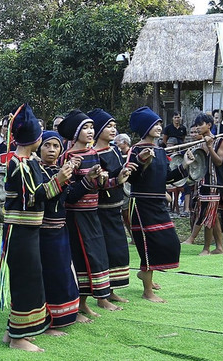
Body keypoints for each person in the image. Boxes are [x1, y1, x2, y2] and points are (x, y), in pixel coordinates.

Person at [0, 102, 56, 352]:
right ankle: (19, 338)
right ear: (36, 138)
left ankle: (13, 332)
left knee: (28, 278)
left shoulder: (26, 162)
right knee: (26, 281)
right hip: (21, 231)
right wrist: (60, 180)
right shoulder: (20, 164)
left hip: (25, 232)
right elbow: (33, 197)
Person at [58, 110, 127, 317]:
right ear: (76, 132)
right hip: (75, 217)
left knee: (95, 257)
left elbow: (100, 186)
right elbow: (68, 193)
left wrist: (117, 180)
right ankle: (76, 306)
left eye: (91, 127)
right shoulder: (68, 157)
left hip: (92, 213)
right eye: (85, 128)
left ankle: (85, 303)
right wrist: (88, 180)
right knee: (80, 259)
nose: (90, 131)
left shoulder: (93, 154)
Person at [126, 107, 193, 302]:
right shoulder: (136, 150)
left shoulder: (161, 151)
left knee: (169, 243)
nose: (159, 127)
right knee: (149, 246)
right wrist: (142, 161)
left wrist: (185, 165)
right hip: (141, 205)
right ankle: (147, 291)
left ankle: (144, 275)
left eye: (159, 124)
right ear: (145, 127)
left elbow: (166, 178)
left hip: (157, 204)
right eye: (155, 124)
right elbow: (131, 176)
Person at [36, 131, 81, 331]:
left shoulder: (58, 170)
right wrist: (59, 179)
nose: (52, 150)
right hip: (42, 233)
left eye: (56, 146)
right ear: (39, 148)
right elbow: (38, 197)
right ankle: (49, 320)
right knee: (50, 276)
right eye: (47, 145)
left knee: (64, 273)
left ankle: (67, 315)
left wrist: (91, 180)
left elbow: (69, 197)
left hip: (61, 230)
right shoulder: (34, 170)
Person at [90, 109, 131, 302]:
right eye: (108, 126)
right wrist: (116, 180)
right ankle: (102, 297)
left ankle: (112, 291)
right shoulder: (93, 155)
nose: (113, 130)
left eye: (114, 126)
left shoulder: (114, 149)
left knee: (118, 250)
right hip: (101, 209)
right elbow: (96, 183)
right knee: (104, 252)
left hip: (116, 206)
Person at [192, 113, 223, 255]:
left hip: (216, 184)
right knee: (212, 216)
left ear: (209, 125)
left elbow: (219, 162)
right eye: (196, 125)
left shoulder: (221, 141)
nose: (197, 128)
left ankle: (206, 248)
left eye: (200, 125)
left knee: (209, 215)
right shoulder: (199, 143)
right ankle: (220, 247)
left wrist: (209, 147)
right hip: (204, 183)